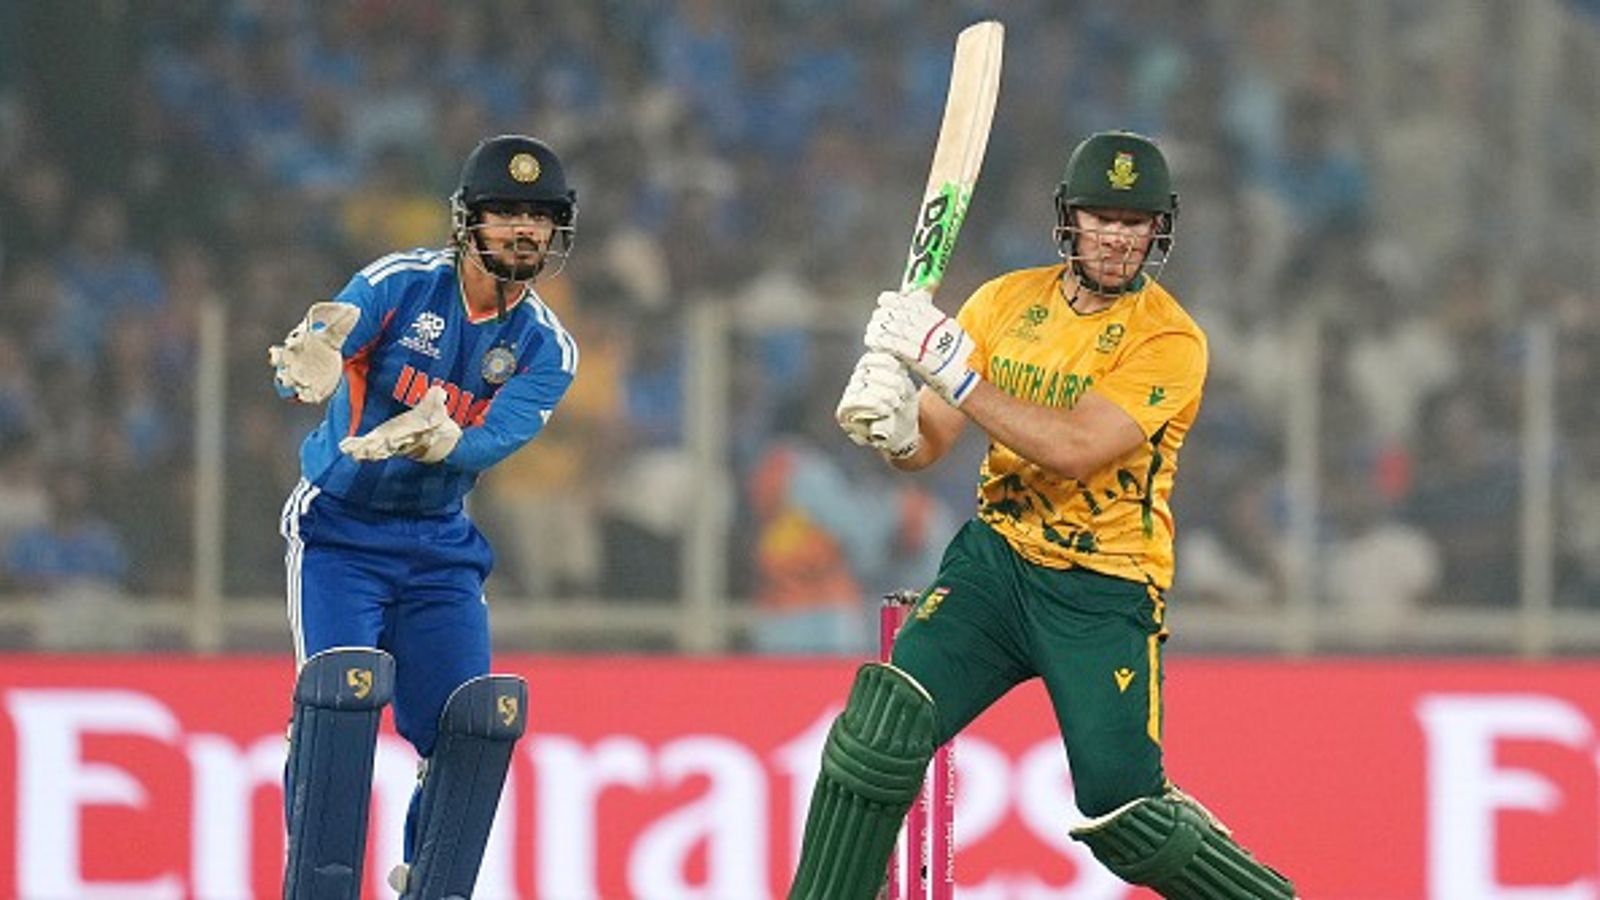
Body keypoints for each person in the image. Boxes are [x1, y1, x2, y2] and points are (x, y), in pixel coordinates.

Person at [791, 131, 1296, 899]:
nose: (1119, 238)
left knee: (1126, 815)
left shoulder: (1170, 339)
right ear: (1069, 220)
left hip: (1103, 589)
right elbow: (933, 444)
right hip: (997, 564)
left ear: (1160, 230)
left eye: (1136, 223)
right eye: (1102, 218)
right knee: (875, 737)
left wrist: (954, 373)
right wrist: (894, 428)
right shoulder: (1002, 301)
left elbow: (1074, 449)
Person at [270, 134, 579, 900]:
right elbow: (332, 332)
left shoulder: (548, 346)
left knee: (471, 728)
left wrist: (452, 442)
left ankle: (428, 882)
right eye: (506, 211)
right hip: (340, 530)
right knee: (338, 702)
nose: (525, 230)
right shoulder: (402, 284)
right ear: (466, 222)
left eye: (539, 216)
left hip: (439, 547)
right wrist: (314, 353)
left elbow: (498, 438)